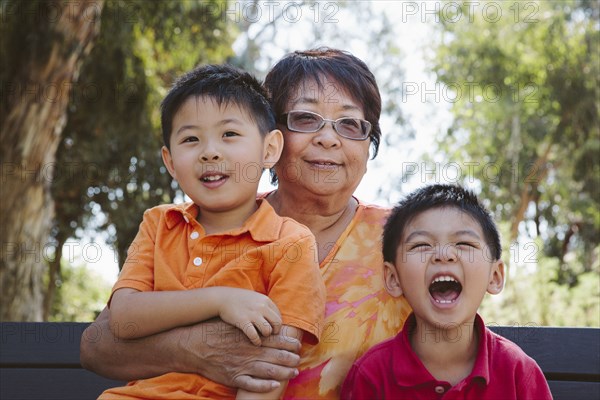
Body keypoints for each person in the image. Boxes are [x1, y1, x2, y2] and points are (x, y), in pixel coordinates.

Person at [80, 48, 412, 399]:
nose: (328, 139)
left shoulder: (406, 236)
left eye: (349, 124)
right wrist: (196, 350)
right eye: (305, 118)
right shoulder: (213, 219)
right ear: (272, 140)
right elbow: (98, 344)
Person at [98, 64, 326, 399]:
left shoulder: (290, 243)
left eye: (229, 134)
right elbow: (124, 318)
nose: (210, 151)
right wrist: (219, 300)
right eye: (191, 139)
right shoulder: (159, 224)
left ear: (269, 149)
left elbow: (269, 370)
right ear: (171, 161)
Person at [340, 184, 553, 399]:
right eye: (421, 245)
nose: (443, 254)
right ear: (394, 279)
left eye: (464, 243)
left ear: (495, 276)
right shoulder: (372, 375)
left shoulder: (518, 373)